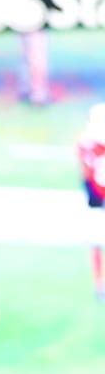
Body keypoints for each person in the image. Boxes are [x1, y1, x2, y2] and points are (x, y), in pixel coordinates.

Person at [76, 102, 105, 301]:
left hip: (95, 195)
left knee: (96, 242)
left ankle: (99, 283)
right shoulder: (88, 143)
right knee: (96, 242)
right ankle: (99, 284)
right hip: (96, 197)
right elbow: (86, 173)